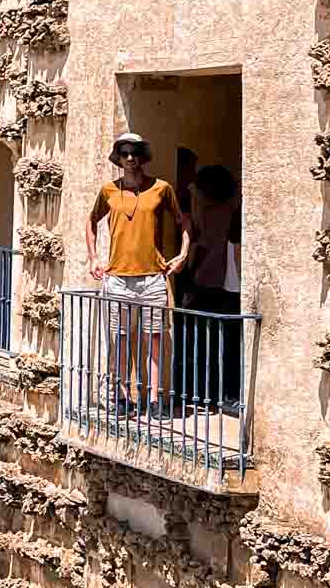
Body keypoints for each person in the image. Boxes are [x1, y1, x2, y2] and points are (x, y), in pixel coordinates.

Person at [85, 132, 191, 417]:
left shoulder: (160, 188)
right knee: (119, 341)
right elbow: (91, 221)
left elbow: (183, 221)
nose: (130, 158)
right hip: (117, 278)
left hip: (153, 278)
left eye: (135, 153)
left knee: (154, 340)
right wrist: (94, 257)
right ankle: (121, 397)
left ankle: (155, 399)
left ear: (143, 156)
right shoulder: (109, 191)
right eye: (124, 153)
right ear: (118, 158)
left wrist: (183, 254)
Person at [185, 164, 242, 410]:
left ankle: (205, 392)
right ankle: (223, 394)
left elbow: (202, 246)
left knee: (205, 342)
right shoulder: (232, 210)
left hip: (206, 281)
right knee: (226, 342)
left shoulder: (209, 214)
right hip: (226, 284)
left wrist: (187, 280)